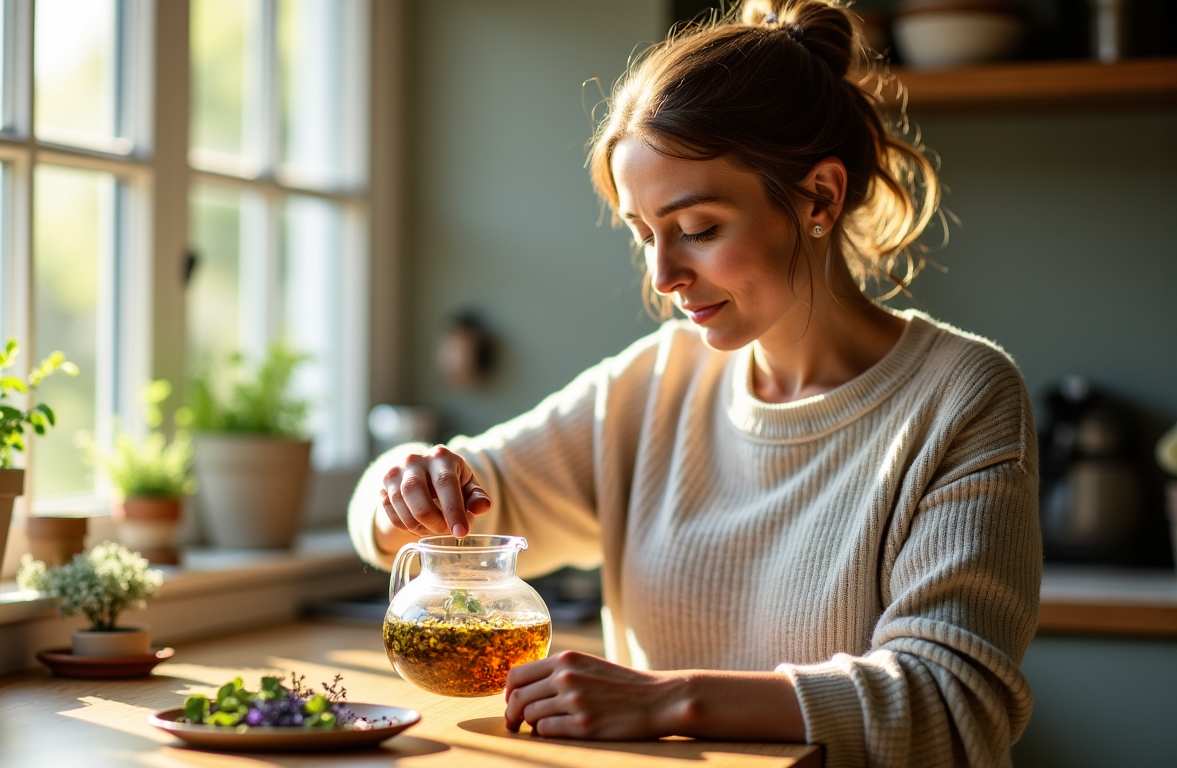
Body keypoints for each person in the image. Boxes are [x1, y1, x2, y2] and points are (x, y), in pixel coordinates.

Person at [347, 1, 1041, 766]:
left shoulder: (963, 395)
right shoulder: (652, 384)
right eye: (645, 235)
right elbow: (461, 507)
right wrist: (403, 487)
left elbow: (950, 703)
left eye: (699, 229)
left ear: (820, 197)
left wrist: (664, 699)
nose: (664, 275)